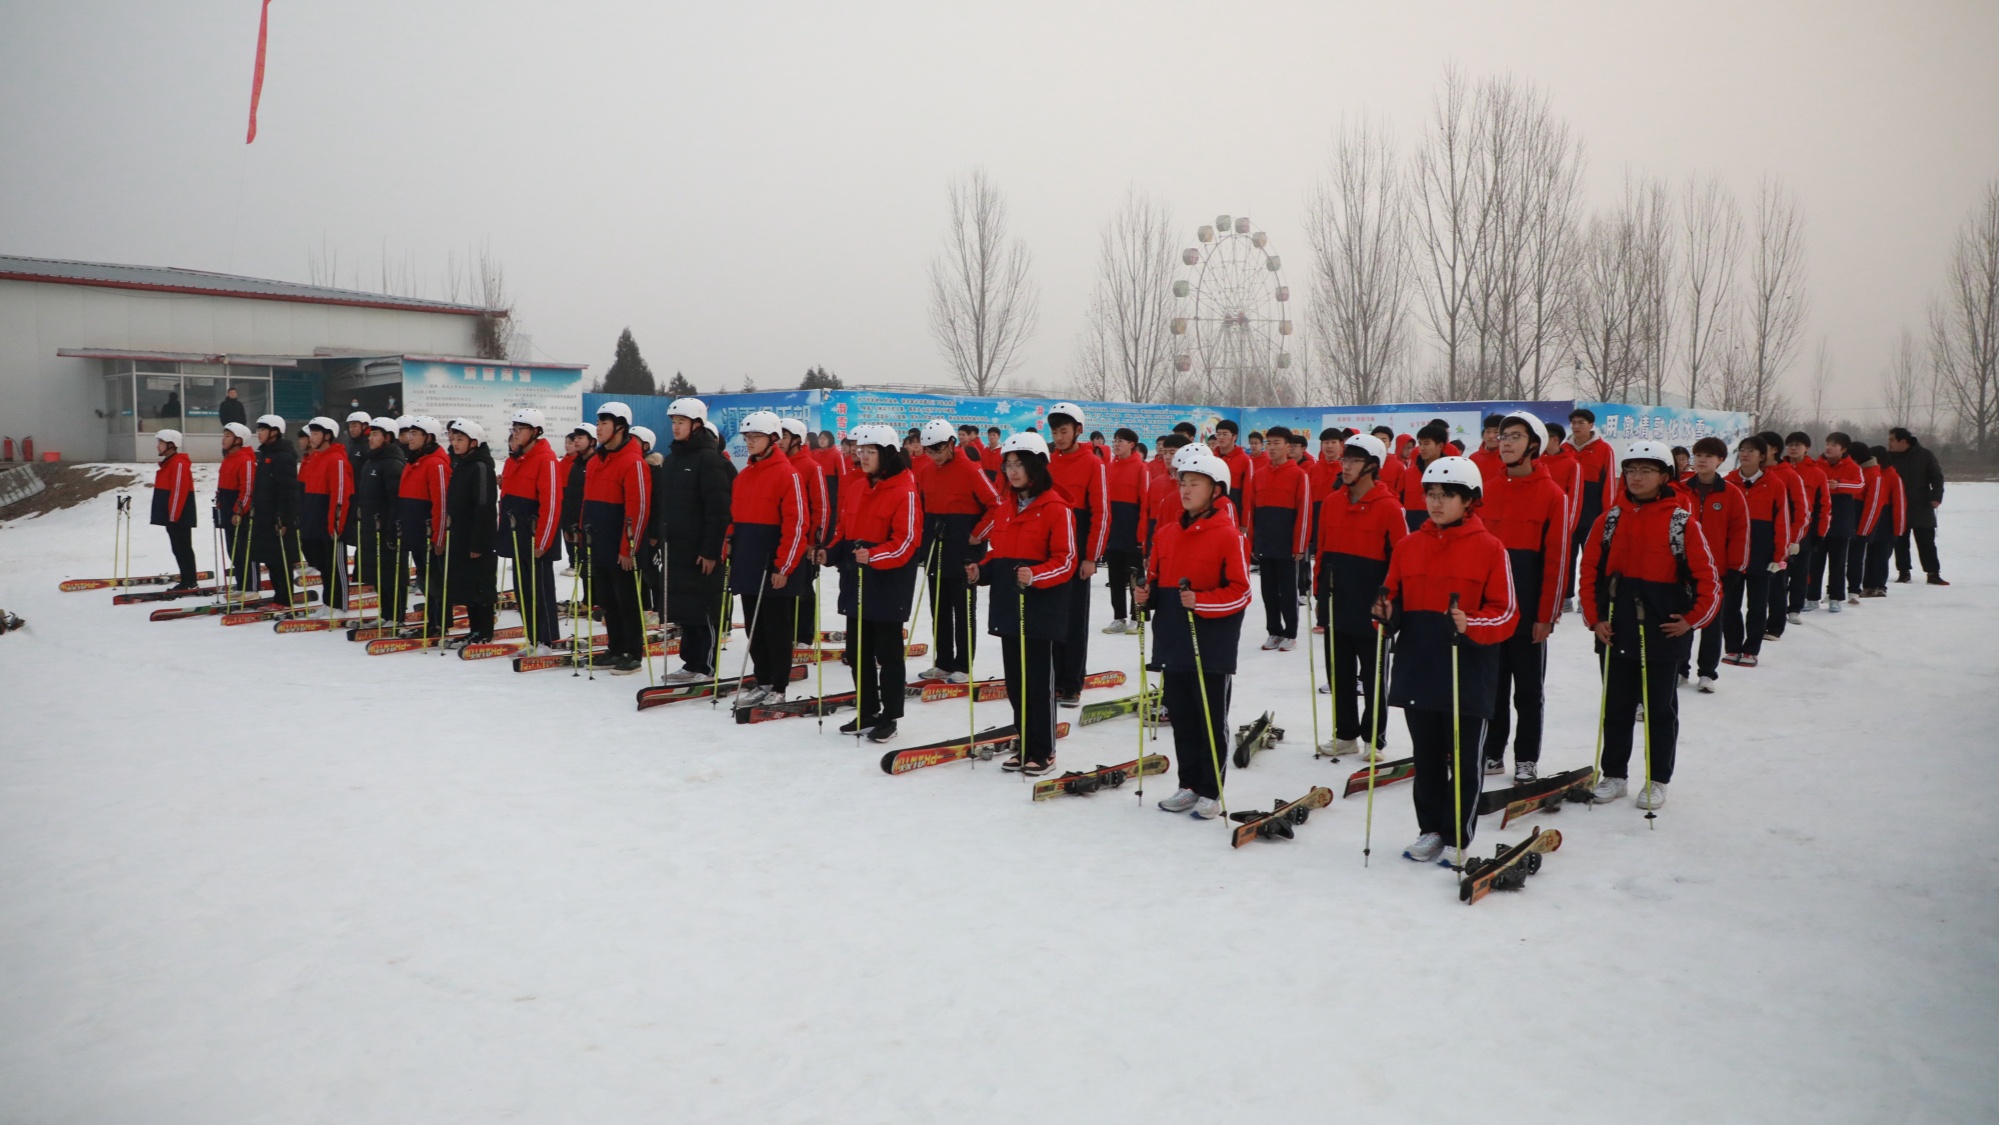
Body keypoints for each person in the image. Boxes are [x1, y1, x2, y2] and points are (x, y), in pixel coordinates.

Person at [1372, 457, 1515, 865]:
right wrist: (1384, 612)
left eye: (1446, 496)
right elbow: (1392, 597)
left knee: (1465, 759)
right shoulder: (1408, 546)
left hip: (1467, 668)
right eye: (1430, 494)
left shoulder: (1490, 548)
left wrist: (1471, 623)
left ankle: (1457, 835)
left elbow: (1506, 612)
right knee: (1427, 757)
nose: (1435, 503)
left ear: (1469, 501)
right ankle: (1430, 829)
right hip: (1420, 664)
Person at [1580, 440, 1720, 812]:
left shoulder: (1681, 521)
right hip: (1615, 628)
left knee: (1659, 711)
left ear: (1664, 476)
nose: (1636, 477)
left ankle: (1658, 779)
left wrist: (1691, 620)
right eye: (1630, 470)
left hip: (1661, 632)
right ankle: (1615, 775)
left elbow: (1709, 580)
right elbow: (1589, 570)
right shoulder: (1609, 519)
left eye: (1646, 470)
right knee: (1616, 708)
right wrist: (1594, 618)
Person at [1135, 446, 1251, 818]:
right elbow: (1156, 582)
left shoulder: (1228, 535)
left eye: (1195, 483)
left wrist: (1200, 602)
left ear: (1217, 490)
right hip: (1173, 640)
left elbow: (1241, 592)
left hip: (1211, 646)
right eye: (1183, 482)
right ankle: (1187, 784)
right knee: (1182, 716)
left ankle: (1210, 789)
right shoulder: (1167, 533)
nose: (1185, 490)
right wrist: (1145, 594)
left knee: (1209, 718)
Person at [968, 432, 1075, 774]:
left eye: (1020, 465)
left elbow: (1067, 559)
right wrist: (980, 571)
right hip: (1009, 607)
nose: (1012, 472)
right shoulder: (1006, 508)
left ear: (1037, 468)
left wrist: (1036, 575)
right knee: (1015, 681)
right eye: (1009, 465)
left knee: (1038, 682)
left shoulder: (1056, 508)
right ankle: (1025, 742)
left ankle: (1043, 750)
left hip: (1040, 609)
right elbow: (999, 554)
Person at [1474, 412, 1570, 782]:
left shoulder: (1552, 495)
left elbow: (1558, 560)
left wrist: (1546, 615)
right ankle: (1492, 752)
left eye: (1515, 436)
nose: (1506, 443)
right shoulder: (1487, 490)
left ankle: (1526, 757)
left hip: (1529, 611)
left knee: (1528, 690)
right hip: (1491, 610)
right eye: (1502, 436)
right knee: (1492, 686)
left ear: (1534, 444)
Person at [1314, 432, 1407, 758]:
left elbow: (1401, 560)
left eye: (1353, 460)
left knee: (1373, 677)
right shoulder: (1331, 501)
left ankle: (1373, 738)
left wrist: (1390, 603)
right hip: (1337, 601)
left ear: (1371, 466)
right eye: (1345, 459)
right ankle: (1345, 734)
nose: (1346, 466)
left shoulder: (1390, 507)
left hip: (1372, 606)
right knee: (1339, 674)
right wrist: (1318, 594)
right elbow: (1322, 553)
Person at [841, 425, 923, 740]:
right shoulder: (859, 487)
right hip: (858, 581)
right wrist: (831, 552)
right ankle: (867, 709)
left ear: (887, 454)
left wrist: (874, 556)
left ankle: (890, 716)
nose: (862, 457)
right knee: (857, 649)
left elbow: (907, 543)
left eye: (870, 452)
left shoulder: (905, 490)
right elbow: (847, 529)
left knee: (888, 653)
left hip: (888, 584)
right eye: (860, 451)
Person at [728, 411, 808, 704]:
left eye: (756, 437)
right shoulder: (745, 475)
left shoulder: (788, 474)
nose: (750, 442)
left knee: (776, 627)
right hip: (749, 562)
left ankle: (779, 686)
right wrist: (729, 541)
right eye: (747, 437)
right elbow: (734, 517)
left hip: (774, 565)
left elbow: (797, 524)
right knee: (754, 626)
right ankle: (762, 678)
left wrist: (783, 566)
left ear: (773, 439)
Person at [655, 398, 735, 685]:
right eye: (673, 422)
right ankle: (690, 663)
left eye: (681, 423)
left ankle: (706, 666)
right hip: (678, 548)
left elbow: (719, 510)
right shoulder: (673, 459)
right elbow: (665, 503)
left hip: (703, 551)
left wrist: (711, 550)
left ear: (696, 425)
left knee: (704, 609)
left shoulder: (709, 459)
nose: (675, 428)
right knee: (685, 611)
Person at [916, 418, 999, 682]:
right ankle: (943, 662)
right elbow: (920, 506)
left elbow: (996, 506)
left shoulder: (971, 469)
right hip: (936, 547)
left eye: (938, 450)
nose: (934, 456)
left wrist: (978, 534)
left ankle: (964, 665)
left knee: (963, 609)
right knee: (938, 608)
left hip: (964, 549)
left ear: (952, 443)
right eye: (929, 451)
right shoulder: (927, 471)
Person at [1044, 403, 1109, 708]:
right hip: (1049, 549)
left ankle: (1072, 683)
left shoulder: (1092, 463)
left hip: (1078, 549)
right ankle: (1052, 678)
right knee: (1050, 617)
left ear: (1078, 430)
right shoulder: (1047, 461)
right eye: (1055, 431)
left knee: (1073, 619)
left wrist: (1091, 556)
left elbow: (1102, 513)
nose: (1058, 437)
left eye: (1064, 431)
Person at [582, 402, 653, 673]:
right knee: (608, 601)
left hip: (621, 546)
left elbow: (640, 508)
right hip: (599, 541)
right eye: (598, 423)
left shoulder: (633, 461)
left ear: (620, 427)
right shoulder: (597, 460)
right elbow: (587, 500)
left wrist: (629, 548)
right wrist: (582, 528)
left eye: (605, 423)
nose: (599, 428)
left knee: (627, 602)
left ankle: (632, 652)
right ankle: (615, 648)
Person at [1681, 437, 1747, 692]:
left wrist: (1735, 568)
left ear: (1720, 460)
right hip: (1683, 570)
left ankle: (1707, 672)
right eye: (1698, 455)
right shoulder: (1681, 490)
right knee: (1682, 620)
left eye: (1709, 456)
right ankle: (1679, 668)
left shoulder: (1732, 494)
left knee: (1711, 623)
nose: (1702, 460)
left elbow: (1740, 533)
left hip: (1716, 571)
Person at [497, 409, 563, 652]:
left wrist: (543, 541)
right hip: (517, 535)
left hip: (537, 536)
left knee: (541, 591)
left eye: (520, 430)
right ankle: (533, 638)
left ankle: (548, 639)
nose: (515, 434)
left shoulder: (546, 459)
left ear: (535, 432)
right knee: (523, 592)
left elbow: (552, 502)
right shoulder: (514, 460)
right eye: (513, 429)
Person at [1720, 436, 1789, 667]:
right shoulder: (1728, 482)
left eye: (1751, 450)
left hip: (1762, 553)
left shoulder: (1775, 484)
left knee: (1757, 605)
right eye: (1742, 450)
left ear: (1763, 456)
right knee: (1730, 604)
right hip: (1733, 555)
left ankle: (1751, 649)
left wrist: (1779, 557)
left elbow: (1782, 522)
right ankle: (1732, 647)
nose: (1745, 454)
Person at [1243, 424, 1311, 651]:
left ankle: (1290, 633)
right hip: (1265, 542)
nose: (1271, 448)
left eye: (1276, 443)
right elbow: (1252, 511)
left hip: (1287, 544)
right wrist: (1253, 541)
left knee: (1288, 591)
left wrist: (1299, 545)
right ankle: (1273, 631)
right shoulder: (1259, 474)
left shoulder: (1299, 475)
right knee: (1268, 590)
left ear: (1288, 447)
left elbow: (1303, 512)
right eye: (1268, 443)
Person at [443, 419, 499, 644]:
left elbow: (484, 506)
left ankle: (485, 631)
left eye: (460, 439)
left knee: (481, 585)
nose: (455, 444)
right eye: (453, 439)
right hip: (461, 534)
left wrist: (478, 543)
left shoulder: (480, 466)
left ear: (473, 442)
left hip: (477, 538)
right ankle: (474, 629)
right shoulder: (461, 464)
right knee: (467, 585)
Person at [396, 417, 452, 636]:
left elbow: (442, 503)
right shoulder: (414, 461)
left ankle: (439, 622)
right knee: (424, 579)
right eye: (409, 434)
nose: (410, 438)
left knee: (434, 580)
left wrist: (439, 537)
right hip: (415, 532)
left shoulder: (436, 464)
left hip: (429, 535)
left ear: (428, 437)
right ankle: (432, 620)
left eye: (415, 434)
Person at [240, 414, 301, 608]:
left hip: (278, 517)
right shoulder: (266, 454)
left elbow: (288, 490)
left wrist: (283, 517)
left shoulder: (283, 456)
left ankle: (285, 598)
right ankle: (278, 596)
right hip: (265, 516)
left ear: (274, 432)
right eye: (258, 430)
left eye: (263, 430)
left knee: (281, 560)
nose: (259, 434)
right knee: (272, 559)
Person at [782, 419, 831, 646]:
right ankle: (786, 631)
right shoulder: (777, 464)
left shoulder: (811, 466)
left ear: (796, 439)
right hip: (783, 540)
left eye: (784, 437)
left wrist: (814, 541)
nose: (779, 442)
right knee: (783, 589)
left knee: (803, 588)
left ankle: (803, 635)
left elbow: (820, 507)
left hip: (804, 542)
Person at [1561, 408, 1617, 609]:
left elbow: (1609, 482)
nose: (1576, 426)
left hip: (1593, 513)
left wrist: (1607, 514)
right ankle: (1565, 597)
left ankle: (1589, 598)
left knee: (1592, 559)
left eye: (1581, 422)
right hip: (1568, 514)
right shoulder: (1563, 449)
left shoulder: (1604, 449)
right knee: (1566, 557)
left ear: (1591, 425)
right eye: (1573, 422)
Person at [297, 417, 353, 612]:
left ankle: (338, 604)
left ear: (327, 436)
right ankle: (328, 601)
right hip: (313, 521)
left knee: (335, 567)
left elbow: (340, 494)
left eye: (316, 434)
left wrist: (335, 524)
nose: (312, 438)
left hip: (329, 524)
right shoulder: (314, 459)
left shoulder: (336, 459)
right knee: (323, 565)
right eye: (311, 434)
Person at [1101, 427, 1152, 637]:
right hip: (1114, 531)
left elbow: (1145, 505)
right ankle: (1119, 617)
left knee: (1135, 577)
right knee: (1115, 576)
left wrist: (1142, 537)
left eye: (1120, 441)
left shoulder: (1141, 468)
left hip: (1132, 531)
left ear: (1132, 445)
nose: (1116, 444)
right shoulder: (1109, 467)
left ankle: (1137, 617)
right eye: (1114, 440)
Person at [354, 417, 406, 620]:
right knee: (378, 574)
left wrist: (391, 527)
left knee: (391, 574)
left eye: (376, 434)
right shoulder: (371, 461)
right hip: (371, 527)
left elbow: (396, 500)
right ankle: (386, 613)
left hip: (385, 529)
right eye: (370, 434)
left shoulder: (392, 463)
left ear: (387, 437)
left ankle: (396, 615)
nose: (370, 438)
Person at [1885, 427, 1947, 585]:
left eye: (1892, 440)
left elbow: (1937, 477)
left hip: (1922, 505)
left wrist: (1936, 497)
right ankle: (1903, 572)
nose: (1889, 443)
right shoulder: (1888, 458)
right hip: (1897, 505)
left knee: (1926, 542)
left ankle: (1933, 573)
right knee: (1900, 542)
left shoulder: (1924, 455)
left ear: (1903, 442)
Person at [1781, 432, 1831, 623]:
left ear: (1807, 447)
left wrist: (1819, 532)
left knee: (1800, 572)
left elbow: (1824, 505)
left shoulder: (1817, 472)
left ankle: (1795, 608)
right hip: (1781, 527)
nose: (1793, 448)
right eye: (1790, 444)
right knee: (1779, 570)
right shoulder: (1779, 469)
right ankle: (1777, 606)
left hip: (1805, 530)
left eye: (1798, 445)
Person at [1817, 432, 1863, 612]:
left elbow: (1859, 485)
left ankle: (1835, 597)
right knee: (1815, 561)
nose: (1828, 447)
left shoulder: (1852, 466)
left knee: (1837, 562)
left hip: (1841, 520)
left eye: (1834, 445)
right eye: (1827, 443)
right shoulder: (1817, 464)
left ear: (1843, 449)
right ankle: (1811, 597)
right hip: (1820, 518)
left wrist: (1839, 485)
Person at [149, 429, 199, 590]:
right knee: (178, 548)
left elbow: (179, 491)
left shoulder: (178, 463)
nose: (158, 446)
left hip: (179, 516)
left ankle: (189, 580)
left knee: (182, 548)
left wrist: (173, 516)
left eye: (161, 443)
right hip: (173, 516)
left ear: (171, 444)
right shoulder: (170, 463)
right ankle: (187, 578)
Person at [1859, 444, 1906, 598]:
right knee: (1869, 554)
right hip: (1872, 517)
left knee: (1881, 554)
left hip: (1886, 520)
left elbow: (1899, 503)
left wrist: (1898, 528)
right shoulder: (1868, 473)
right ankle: (1867, 585)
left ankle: (1879, 585)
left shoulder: (1893, 476)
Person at [215, 421, 256, 595]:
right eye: (224, 435)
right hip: (226, 509)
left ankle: (251, 587)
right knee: (233, 550)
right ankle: (241, 585)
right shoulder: (228, 459)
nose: (223, 439)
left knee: (243, 551)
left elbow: (247, 489)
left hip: (239, 512)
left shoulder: (245, 460)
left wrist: (239, 510)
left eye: (228, 436)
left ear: (239, 440)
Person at [1844, 442, 1886, 604]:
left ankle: (1854, 588)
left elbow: (1873, 505)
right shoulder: (1857, 471)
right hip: (1848, 523)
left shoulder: (1874, 475)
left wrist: (1863, 530)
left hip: (1861, 525)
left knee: (1855, 558)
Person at [1396, 421, 1453, 532]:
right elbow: (1398, 504)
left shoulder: (1451, 474)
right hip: (1412, 533)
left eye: (1427, 443)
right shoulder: (1408, 474)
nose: (1421, 448)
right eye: (1420, 443)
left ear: (1440, 446)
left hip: (1441, 533)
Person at [558, 423, 594, 578]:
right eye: (575, 438)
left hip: (589, 524)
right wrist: (566, 523)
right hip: (573, 519)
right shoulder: (575, 465)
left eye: (580, 438)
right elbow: (571, 497)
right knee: (584, 574)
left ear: (592, 441)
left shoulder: (595, 462)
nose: (576, 442)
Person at [1209, 419, 1253, 507]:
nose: (1221, 437)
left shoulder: (1245, 460)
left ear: (1235, 436)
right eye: (1218, 434)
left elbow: (1248, 495)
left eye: (1225, 434)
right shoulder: (1211, 458)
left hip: (1233, 512)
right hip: (1211, 511)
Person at [1470, 414, 1506, 483]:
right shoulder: (1474, 457)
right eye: (1488, 431)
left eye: (1496, 432)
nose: (1491, 436)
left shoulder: (1511, 457)